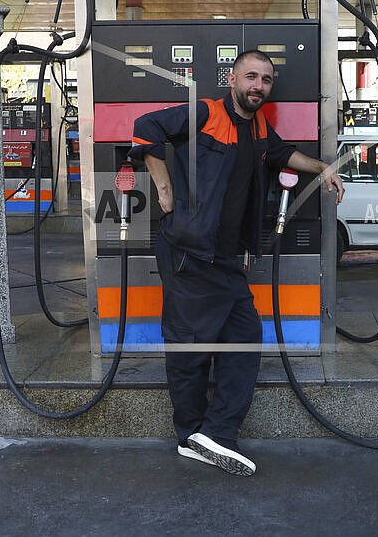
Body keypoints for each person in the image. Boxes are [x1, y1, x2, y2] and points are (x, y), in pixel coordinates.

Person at [127, 49, 344, 476]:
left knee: (243, 336)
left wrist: (322, 168)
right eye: (251, 77)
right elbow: (145, 127)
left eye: (265, 80)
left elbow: (281, 154)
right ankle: (196, 434)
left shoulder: (259, 126)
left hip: (223, 258)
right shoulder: (205, 113)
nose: (258, 86)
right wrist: (164, 189)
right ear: (232, 78)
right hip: (190, 253)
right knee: (191, 348)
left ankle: (210, 434)